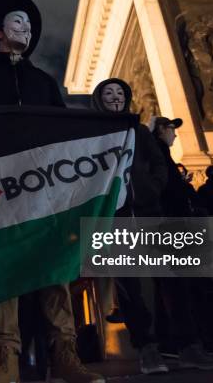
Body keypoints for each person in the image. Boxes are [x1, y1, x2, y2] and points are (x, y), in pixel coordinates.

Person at [0, 0, 103, 383]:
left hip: (43, 190)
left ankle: (65, 355)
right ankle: (5, 360)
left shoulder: (43, 82)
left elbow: (65, 133)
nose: (27, 30)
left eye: (30, 26)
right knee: (4, 271)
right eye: (18, 23)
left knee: (55, 270)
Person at [91, 78, 169, 374]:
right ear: (100, 99)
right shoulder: (95, 137)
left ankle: (178, 344)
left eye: (120, 93)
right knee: (129, 286)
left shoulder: (139, 131)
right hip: (115, 217)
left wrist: (154, 187)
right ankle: (146, 348)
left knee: (168, 279)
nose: (115, 97)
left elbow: (158, 162)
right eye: (108, 93)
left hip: (149, 212)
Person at [151, 116, 213, 370]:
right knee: (181, 285)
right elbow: (167, 190)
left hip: (170, 224)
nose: (175, 134)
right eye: (172, 129)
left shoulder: (162, 153)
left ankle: (172, 343)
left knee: (173, 286)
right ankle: (187, 344)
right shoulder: (158, 153)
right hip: (171, 225)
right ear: (161, 130)